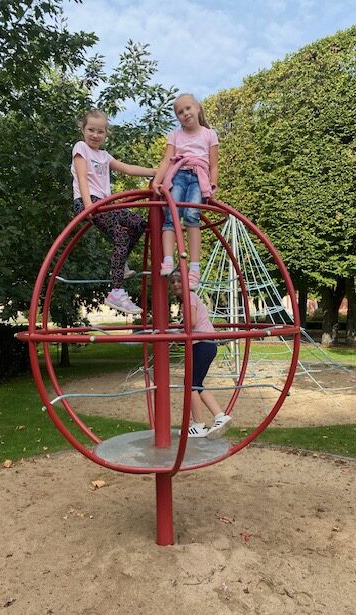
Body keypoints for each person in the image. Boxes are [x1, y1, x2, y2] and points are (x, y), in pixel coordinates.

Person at [71, 109, 156, 315]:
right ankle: (116, 292)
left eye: (100, 131)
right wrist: (88, 205)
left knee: (138, 224)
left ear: (106, 133)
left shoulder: (104, 155)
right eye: (91, 130)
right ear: (83, 130)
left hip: (106, 203)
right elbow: (82, 177)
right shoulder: (81, 147)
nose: (95, 135)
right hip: (88, 201)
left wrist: (156, 171)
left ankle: (121, 262)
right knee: (120, 236)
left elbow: (127, 168)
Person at [153, 94, 218, 290]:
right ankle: (168, 260)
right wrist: (157, 181)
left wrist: (213, 185)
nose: (185, 113)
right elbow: (166, 161)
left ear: (197, 108)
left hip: (199, 176)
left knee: (191, 215)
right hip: (179, 174)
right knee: (171, 215)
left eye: (188, 108)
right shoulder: (175, 135)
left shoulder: (209, 134)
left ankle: (194, 268)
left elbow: (214, 165)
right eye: (180, 112)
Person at [170, 271, 232, 438]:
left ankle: (198, 425)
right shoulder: (188, 299)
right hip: (205, 344)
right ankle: (220, 416)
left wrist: (177, 332)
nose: (176, 284)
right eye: (172, 282)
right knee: (196, 384)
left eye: (179, 280)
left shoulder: (189, 297)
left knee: (190, 384)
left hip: (203, 344)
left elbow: (192, 323)